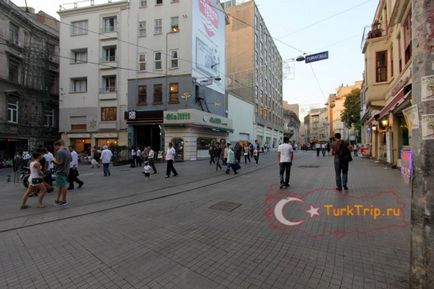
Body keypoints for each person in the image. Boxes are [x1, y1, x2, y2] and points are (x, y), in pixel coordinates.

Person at [52, 139, 72, 206]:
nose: (55, 148)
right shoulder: (67, 151)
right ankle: (58, 200)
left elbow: (59, 163)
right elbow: (71, 159)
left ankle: (64, 200)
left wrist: (53, 160)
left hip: (60, 171)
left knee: (63, 186)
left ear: (57, 145)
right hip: (66, 170)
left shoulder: (60, 152)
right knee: (60, 186)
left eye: (54, 147)